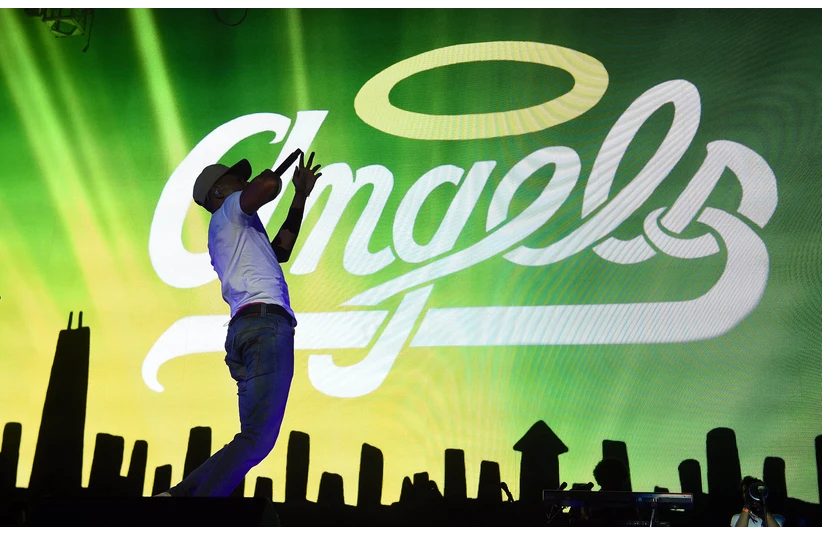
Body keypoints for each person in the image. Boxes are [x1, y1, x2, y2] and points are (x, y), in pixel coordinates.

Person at [154, 149, 322, 497]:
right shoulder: (230, 212)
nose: (242, 181)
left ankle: (179, 496)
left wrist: (300, 196)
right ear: (218, 193)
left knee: (250, 438)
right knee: (258, 440)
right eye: (235, 178)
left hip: (250, 330)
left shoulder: (236, 229)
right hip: (264, 328)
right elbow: (266, 184)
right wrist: (274, 177)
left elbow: (283, 249)